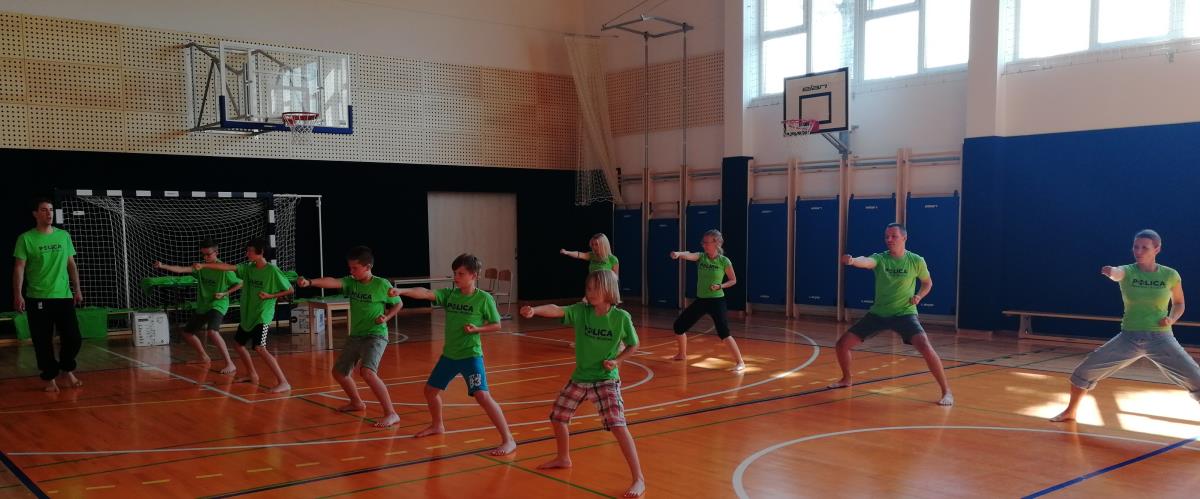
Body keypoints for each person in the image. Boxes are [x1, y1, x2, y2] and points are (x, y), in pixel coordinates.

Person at [1051, 229, 1200, 422]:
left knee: (1196, 377)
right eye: (1136, 247)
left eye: (1144, 248)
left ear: (1157, 249)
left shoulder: (1170, 275)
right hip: (1128, 338)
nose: (1138, 251)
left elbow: (1179, 303)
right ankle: (1070, 412)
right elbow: (1118, 273)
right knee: (1083, 372)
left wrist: (1171, 318)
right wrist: (1111, 272)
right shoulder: (1128, 271)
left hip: (1161, 338)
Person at [520, 269, 645, 498]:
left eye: (595, 288)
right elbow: (557, 309)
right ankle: (563, 458)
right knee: (558, 417)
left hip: (606, 380)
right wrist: (534, 310)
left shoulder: (621, 318)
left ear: (609, 290)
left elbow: (633, 344)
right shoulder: (581, 311)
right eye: (588, 288)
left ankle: (638, 478)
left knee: (617, 425)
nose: (590, 292)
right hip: (580, 378)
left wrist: (617, 360)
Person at [391, 253, 516, 455]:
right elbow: (425, 293)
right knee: (430, 391)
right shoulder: (450, 295)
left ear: (474, 275)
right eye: (455, 273)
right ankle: (437, 425)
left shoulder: (484, 299)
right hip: (449, 356)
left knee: (482, 396)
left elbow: (497, 324)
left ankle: (508, 440)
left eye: (461, 274)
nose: (456, 277)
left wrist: (477, 329)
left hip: (470, 356)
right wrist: (402, 291)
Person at [832, 223, 953, 406]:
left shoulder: (916, 261)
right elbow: (867, 261)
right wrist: (852, 261)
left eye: (893, 236)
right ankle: (846, 379)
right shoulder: (880, 258)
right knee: (842, 345)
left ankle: (946, 391)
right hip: (878, 313)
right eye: (887, 236)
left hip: (904, 313)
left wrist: (919, 296)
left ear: (904, 238)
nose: (889, 240)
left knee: (925, 346)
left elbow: (927, 283)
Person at [297, 246, 403, 427]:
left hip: (376, 335)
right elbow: (332, 281)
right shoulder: (351, 282)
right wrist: (310, 282)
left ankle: (391, 413)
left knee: (367, 373)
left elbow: (398, 303)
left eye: (355, 268)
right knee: (339, 373)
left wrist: (387, 317)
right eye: (350, 267)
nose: (351, 271)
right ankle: (356, 402)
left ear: (368, 267)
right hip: (356, 335)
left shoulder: (381, 284)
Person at [195, 238, 293, 393]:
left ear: (261, 252)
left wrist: (270, 296)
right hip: (248, 315)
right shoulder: (248, 268)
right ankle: (252, 374)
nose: (247, 253)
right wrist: (204, 265)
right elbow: (227, 267)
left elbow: (290, 290)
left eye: (250, 251)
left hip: (262, 315)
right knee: (238, 345)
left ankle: (283, 382)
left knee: (260, 348)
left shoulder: (272, 271)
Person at [13, 198, 84, 392]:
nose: (49, 213)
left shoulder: (63, 236)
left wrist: (77, 289)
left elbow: (71, 264)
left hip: (63, 296)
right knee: (43, 341)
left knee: (73, 338)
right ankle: (50, 377)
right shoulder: (26, 238)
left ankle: (66, 368)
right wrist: (18, 294)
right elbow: (19, 268)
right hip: (38, 298)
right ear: (35, 214)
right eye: (44, 210)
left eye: (51, 210)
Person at [153, 238, 241, 375]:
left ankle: (230, 363)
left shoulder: (224, 269)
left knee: (212, 332)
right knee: (187, 333)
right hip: (203, 305)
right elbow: (181, 269)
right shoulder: (200, 267)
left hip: (218, 304)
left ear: (216, 253)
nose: (205, 257)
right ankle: (203, 357)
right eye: (203, 255)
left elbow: (240, 283)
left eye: (208, 254)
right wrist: (163, 265)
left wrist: (225, 293)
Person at [669, 229, 746, 371]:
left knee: (723, 332)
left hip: (717, 301)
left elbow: (733, 280)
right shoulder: (701, 257)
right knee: (679, 326)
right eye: (703, 242)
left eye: (706, 242)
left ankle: (740, 362)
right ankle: (682, 354)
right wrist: (679, 254)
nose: (703, 245)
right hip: (701, 300)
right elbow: (690, 255)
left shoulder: (724, 261)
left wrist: (720, 286)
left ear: (716, 243)